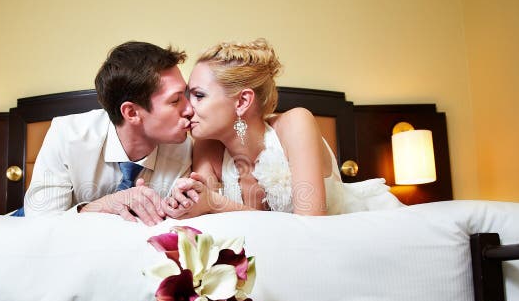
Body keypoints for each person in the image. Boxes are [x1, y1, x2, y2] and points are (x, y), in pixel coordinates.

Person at [164, 38, 345, 218]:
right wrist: (182, 203)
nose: (187, 107)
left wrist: (216, 202)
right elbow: (206, 218)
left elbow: (311, 224)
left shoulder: (296, 123)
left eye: (199, 95)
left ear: (242, 101)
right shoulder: (205, 145)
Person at [23, 41, 194, 226]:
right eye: (176, 100)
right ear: (132, 113)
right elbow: (40, 224)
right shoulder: (67, 135)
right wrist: (103, 206)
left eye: (186, 95)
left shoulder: (185, 148)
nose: (190, 108)